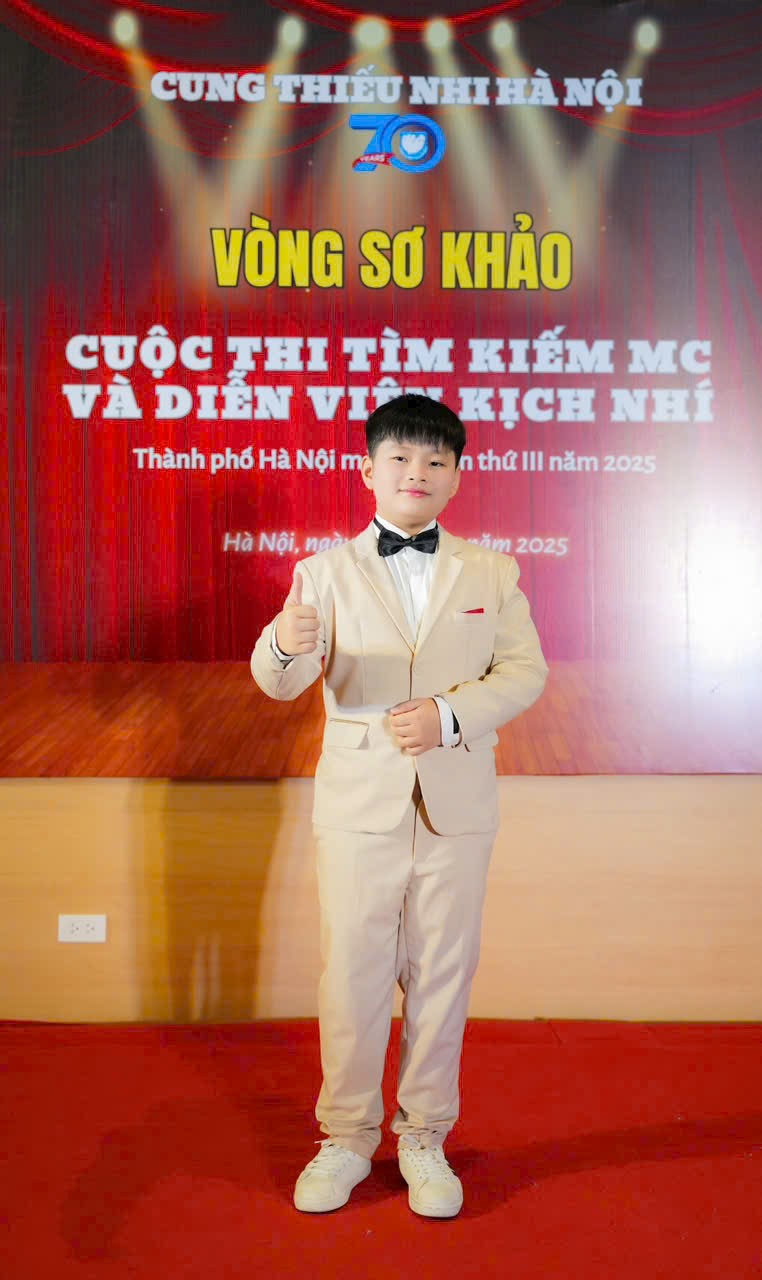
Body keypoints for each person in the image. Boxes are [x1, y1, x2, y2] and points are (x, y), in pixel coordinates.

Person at [250, 393, 548, 1217]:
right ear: (368, 471)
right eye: (400, 458)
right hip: (358, 804)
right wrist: (282, 644)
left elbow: (524, 671)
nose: (417, 472)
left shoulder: (491, 572)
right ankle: (345, 1138)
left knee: (443, 973)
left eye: (435, 461)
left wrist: (449, 716)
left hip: (457, 803)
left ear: (456, 477)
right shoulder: (323, 573)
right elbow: (279, 683)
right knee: (352, 971)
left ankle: (424, 1136)